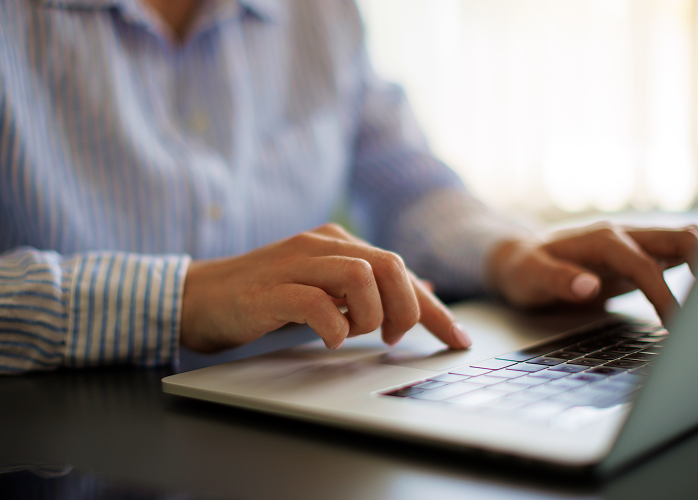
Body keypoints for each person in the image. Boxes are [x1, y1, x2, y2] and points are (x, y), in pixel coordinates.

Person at [0, 0, 695, 375]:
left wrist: (508, 252)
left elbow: (404, 181)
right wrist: (180, 297)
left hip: (288, 427)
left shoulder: (322, 13)